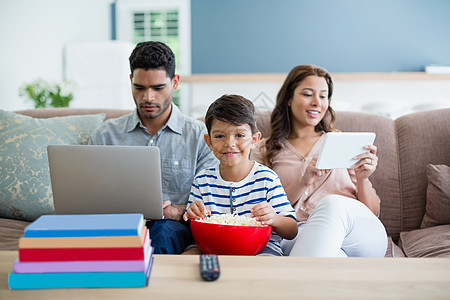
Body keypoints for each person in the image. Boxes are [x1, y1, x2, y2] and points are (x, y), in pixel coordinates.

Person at [88, 41, 217, 254]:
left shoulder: (199, 137)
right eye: (139, 87)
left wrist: (176, 211)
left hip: (172, 228)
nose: (148, 97)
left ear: (175, 82)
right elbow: (89, 197)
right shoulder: (105, 135)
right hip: (118, 225)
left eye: (158, 88)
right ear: (130, 81)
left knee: (163, 231)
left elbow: (213, 201)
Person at [250, 65, 388, 257]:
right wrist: (303, 182)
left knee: (332, 204)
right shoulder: (264, 149)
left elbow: (371, 213)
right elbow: (259, 207)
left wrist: (363, 179)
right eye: (308, 94)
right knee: (332, 255)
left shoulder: (343, 142)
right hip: (299, 235)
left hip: (359, 233)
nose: (317, 102)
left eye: (323, 96)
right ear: (289, 99)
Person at [182, 94, 298, 256]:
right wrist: (192, 213)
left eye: (239, 135)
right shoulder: (202, 180)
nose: (229, 143)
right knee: (187, 257)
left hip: (261, 249)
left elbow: (292, 230)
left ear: (254, 140)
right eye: (220, 136)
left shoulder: (266, 179)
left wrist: (274, 218)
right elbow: (192, 224)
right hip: (212, 247)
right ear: (209, 142)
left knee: (267, 266)